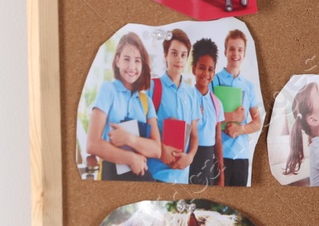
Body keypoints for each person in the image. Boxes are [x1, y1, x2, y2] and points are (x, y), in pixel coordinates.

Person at [86, 31, 163, 181]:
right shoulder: (108, 90)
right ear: (117, 60)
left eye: (137, 61)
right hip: (112, 176)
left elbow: (157, 150)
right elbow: (92, 144)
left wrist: (129, 139)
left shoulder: (146, 101)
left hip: (140, 176)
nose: (132, 67)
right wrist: (130, 159)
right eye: (126, 59)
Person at [146, 29, 201, 184]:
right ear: (165, 55)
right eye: (174, 53)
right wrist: (161, 150)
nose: (179, 59)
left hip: (182, 177)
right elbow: (143, 130)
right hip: (155, 175)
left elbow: (195, 135)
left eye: (183, 55)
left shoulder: (192, 94)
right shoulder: (152, 87)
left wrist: (190, 157)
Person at [213, 28, 262, 187]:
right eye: (232, 49)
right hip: (217, 155)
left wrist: (240, 130)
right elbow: (207, 116)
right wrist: (233, 116)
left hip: (242, 156)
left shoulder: (248, 86)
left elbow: (257, 122)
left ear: (244, 54)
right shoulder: (214, 80)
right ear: (225, 52)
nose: (236, 53)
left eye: (240, 50)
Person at [188, 37, 225, 187]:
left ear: (214, 73)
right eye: (202, 68)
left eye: (210, 69)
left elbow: (217, 141)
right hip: (189, 159)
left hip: (208, 161)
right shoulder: (186, 98)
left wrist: (221, 174)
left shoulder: (217, 103)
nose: (206, 73)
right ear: (194, 69)